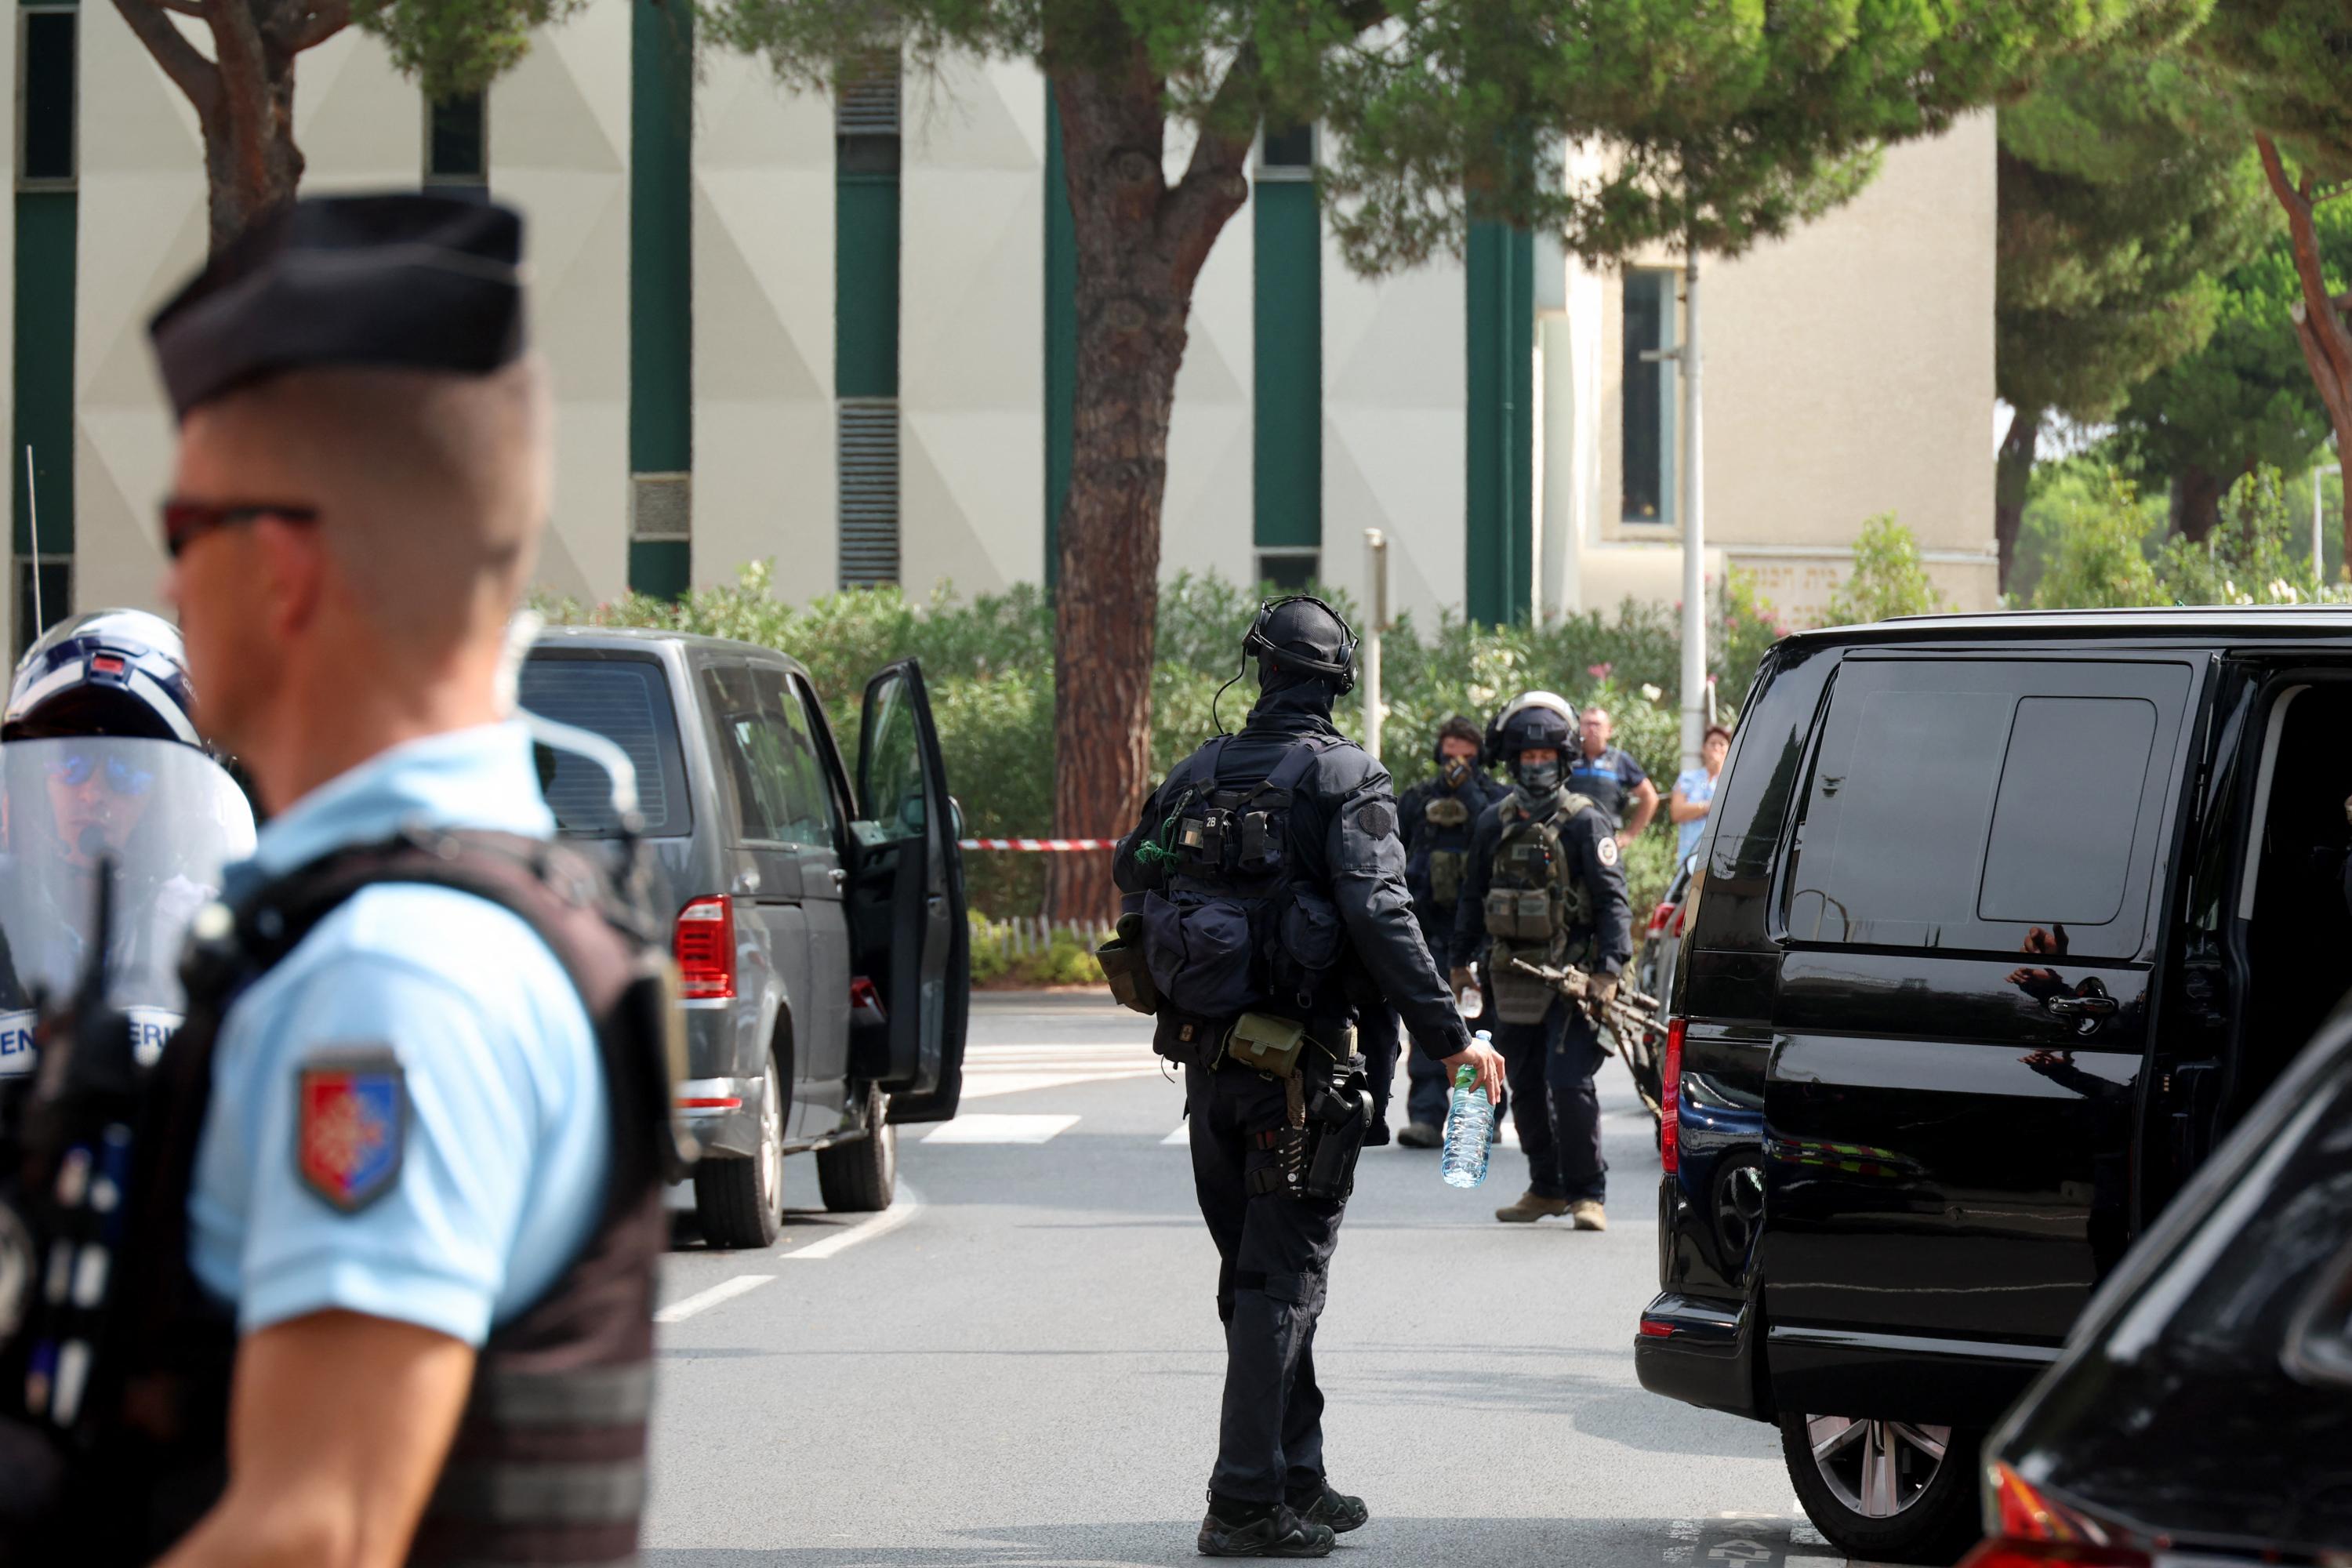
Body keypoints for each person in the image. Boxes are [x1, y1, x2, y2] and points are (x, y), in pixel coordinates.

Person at [24, 194, 675, 1567]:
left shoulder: (396, 976)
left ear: (284, 566)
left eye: (186, 524)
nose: (164, 576)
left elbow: (313, 1532)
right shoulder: (410, 920)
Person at [1114, 596, 1505, 1559]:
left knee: (1254, 1273)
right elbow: (1382, 913)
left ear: (1259, 671)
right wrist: (1454, 1038)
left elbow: (1134, 871)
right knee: (1281, 1280)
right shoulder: (1345, 777)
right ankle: (1243, 1500)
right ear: (1335, 679)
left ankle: (1298, 1471)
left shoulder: (1197, 771)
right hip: (1304, 1067)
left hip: (1207, 1062)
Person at [1451, 693, 1632, 1229]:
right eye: (1526, 761)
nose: (1535, 769)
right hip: (1512, 978)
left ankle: (1587, 1194)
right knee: (1522, 1083)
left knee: (1568, 1083)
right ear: (1513, 763)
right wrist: (1459, 962)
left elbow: (1611, 900)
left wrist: (1609, 972)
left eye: (1545, 760)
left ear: (1563, 761)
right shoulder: (1492, 822)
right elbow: (1471, 896)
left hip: (1574, 980)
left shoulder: (1585, 823)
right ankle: (1546, 1187)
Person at [1389, 714, 1508, 1147]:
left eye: (1466, 753)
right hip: (1428, 929)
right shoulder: (1418, 799)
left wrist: (1470, 792)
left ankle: (1485, 1114)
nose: (1456, 761)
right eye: (1450, 751)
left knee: (1484, 1023)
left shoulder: (1495, 800)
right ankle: (1425, 1115)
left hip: (1479, 932)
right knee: (1427, 1021)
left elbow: (1496, 834)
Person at [1567, 705, 1658, 845]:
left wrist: (1629, 836)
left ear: (1609, 731)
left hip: (1604, 840)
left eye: (1597, 725)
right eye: (1587, 724)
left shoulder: (1620, 760)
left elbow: (1650, 797)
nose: (1592, 729)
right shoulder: (1567, 758)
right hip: (1567, 837)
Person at [1669, 724, 1733, 863]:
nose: (1717, 748)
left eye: (1722, 744)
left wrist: (1693, 809)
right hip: (1690, 859)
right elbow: (1677, 812)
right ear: (1704, 748)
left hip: (1721, 859)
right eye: (1712, 743)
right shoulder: (1688, 778)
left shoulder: (1732, 782)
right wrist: (1707, 807)